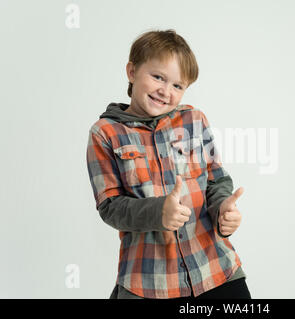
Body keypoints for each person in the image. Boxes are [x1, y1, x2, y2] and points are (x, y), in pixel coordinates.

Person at [86, 29, 251, 299]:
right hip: (148, 283)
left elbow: (216, 180)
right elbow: (110, 207)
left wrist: (223, 209)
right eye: (158, 77)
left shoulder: (195, 120)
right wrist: (158, 212)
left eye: (178, 85)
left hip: (216, 271)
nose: (166, 91)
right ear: (131, 72)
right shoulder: (104, 133)